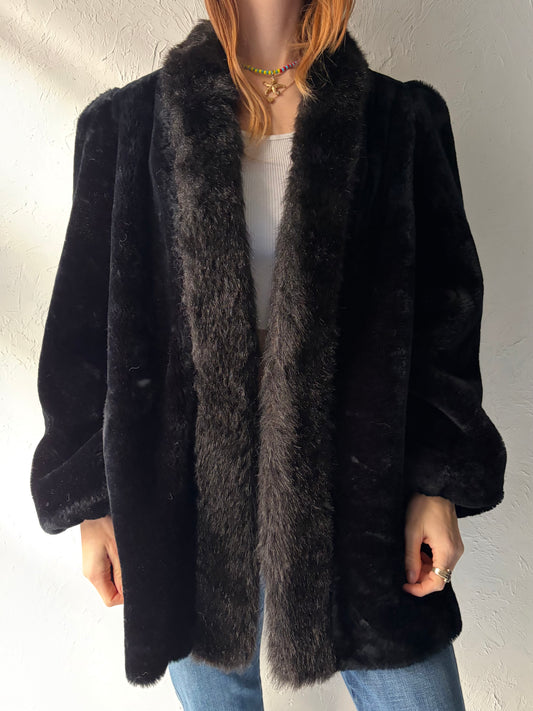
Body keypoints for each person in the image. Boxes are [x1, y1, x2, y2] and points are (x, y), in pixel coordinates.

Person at [30, 0, 507, 709]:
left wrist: (436, 483)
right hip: (185, 498)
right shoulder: (129, 126)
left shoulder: (399, 122)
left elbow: (447, 315)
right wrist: (92, 503)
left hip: (358, 489)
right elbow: (80, 327)